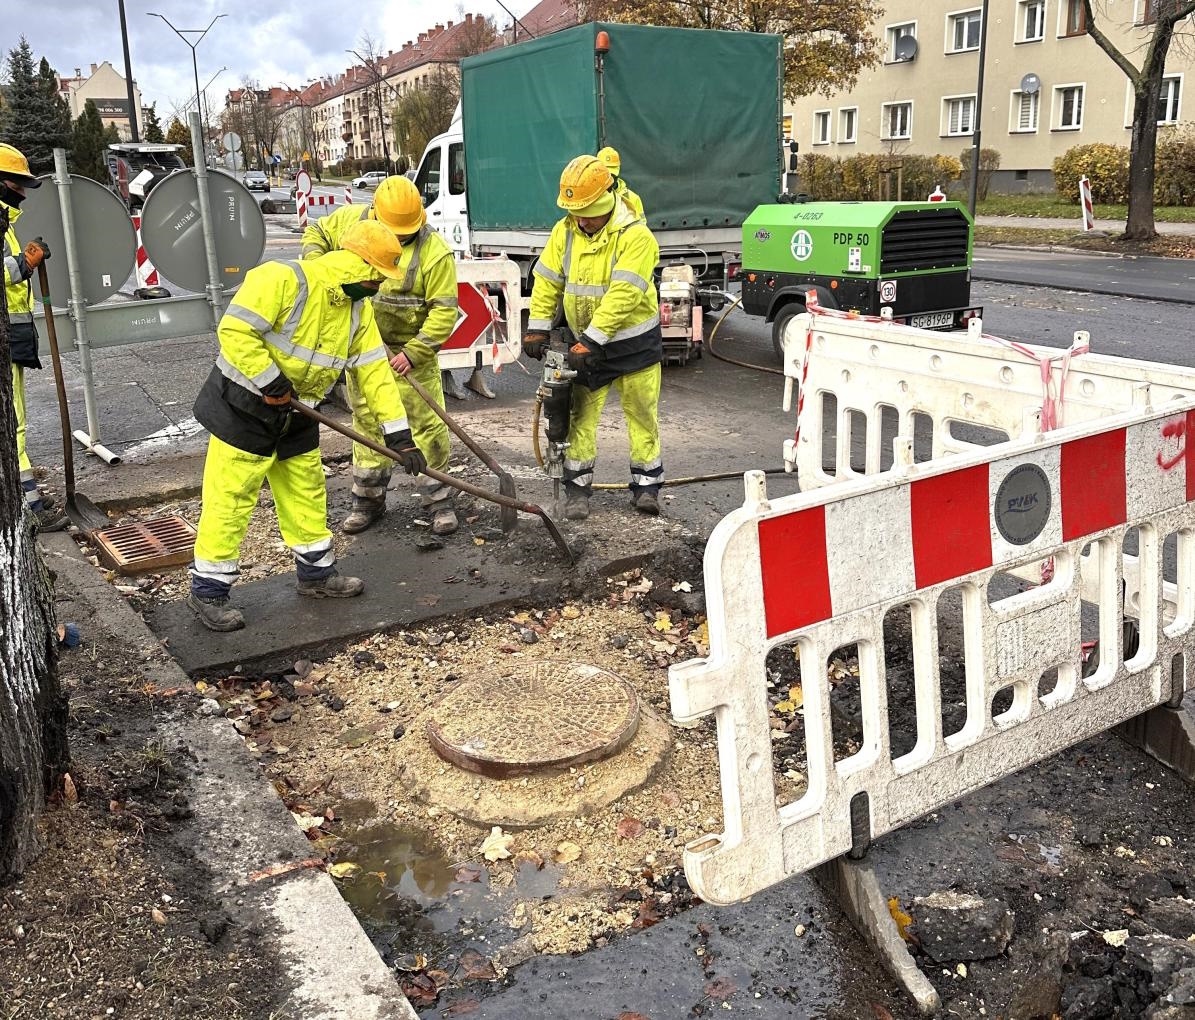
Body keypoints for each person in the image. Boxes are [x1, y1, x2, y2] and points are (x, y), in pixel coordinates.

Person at [187, 219, 425, 632]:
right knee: (231, 499)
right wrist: (270, 380)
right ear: (359, 269)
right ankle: (208, 591)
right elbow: (235, 330)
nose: (377, 288)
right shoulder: (283, 279)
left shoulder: (356, 312)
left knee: (306, 491)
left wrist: (400, 437)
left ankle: (316, 575)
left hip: (298, 415)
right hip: (243, 408)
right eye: (375, 279)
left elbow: (375, 376)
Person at [301, 176, 460, 536]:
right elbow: (315, 236)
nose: (399, 240)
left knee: (427, 427)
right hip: (363, 348)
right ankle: (368, 499)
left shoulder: (433, 253)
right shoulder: (351, 222)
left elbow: (444, 311)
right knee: (370, 425)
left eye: (404, 235)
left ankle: (439, 500)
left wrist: (415, 352)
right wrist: (319, 268)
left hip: (410, 353)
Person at [523, 154, 662, 521]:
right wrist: (538, 326)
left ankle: (647, 487)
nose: (581, 219)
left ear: (606, 201)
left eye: (587, 212)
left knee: (642, 414)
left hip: (633, 344)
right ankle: (577, 489)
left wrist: (594, 339)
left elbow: (623, 294)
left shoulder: (636, 236)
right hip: (587, 343)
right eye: (576, 212)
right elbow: (548, 280)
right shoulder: (564, 231)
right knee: (580, 416)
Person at [1, 142, 65, 530]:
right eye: (15, 182)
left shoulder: (6, 223)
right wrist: (26, 262)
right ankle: (27, 507)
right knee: (13, 420)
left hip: (13, 334)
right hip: (5, 337)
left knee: (15, 417)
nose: (22, 191)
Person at [597, 146, 644, 220]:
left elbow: (641, 227)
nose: (610, 178)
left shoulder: (633, 199)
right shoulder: (590, 197)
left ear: (618, 169)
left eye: (612, 174)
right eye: (606, 174)